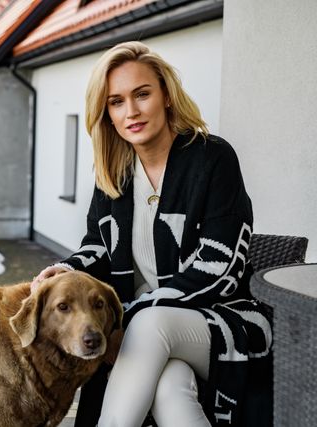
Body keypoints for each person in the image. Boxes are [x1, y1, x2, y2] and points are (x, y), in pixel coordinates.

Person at [31, 41, 272, 427]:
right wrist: (67, 269)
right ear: (107, 114)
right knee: (169, 386)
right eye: (116, 102)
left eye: (142, 94)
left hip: (221, 321)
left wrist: (127, 317)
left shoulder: (212, 159)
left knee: (150, 325)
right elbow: (97, 246)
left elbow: (219, 267)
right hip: (150, 335)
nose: (131, 111)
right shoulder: (114, 173)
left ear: (166, 96)